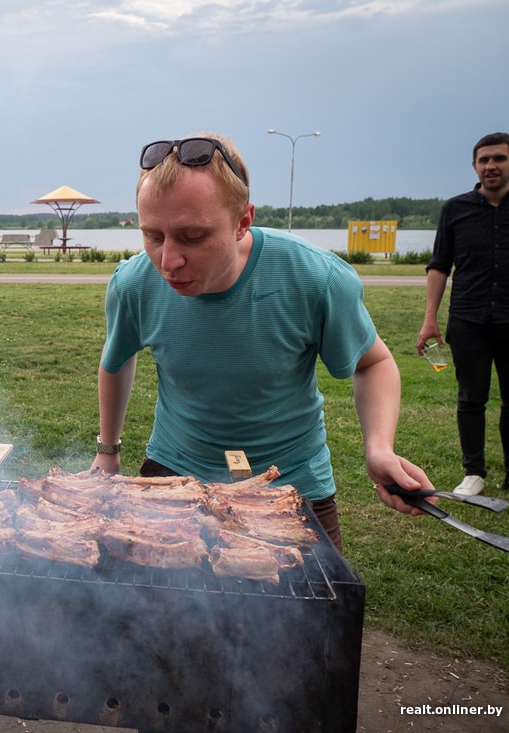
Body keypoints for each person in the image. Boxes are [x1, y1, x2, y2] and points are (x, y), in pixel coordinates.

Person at [91, 133, 433, 552]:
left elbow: (372, 363)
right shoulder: (133, 284)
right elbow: (116, 359)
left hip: (289, 486)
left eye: (192, 236)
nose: (168, 261)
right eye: (153, 236)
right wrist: (108, 449)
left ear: (242, 222)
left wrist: (379, 447)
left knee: (316, 615)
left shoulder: (315, 279)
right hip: (173, 477)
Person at [417, 132, 509, 497]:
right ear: (474, 166)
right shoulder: (455, 209)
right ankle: (473, 474)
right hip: (468, 321)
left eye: (498, 158)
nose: (490, 166)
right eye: (483, 160)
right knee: (471, 398)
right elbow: (439, 266)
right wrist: (430, 318)